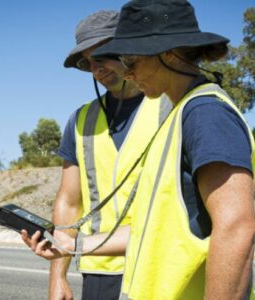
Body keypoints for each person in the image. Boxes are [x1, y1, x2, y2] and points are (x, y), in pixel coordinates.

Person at [23, 0, 255, 299]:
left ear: (168, 54)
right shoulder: (178, 115)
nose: (125, 71)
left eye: (130, 59)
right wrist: (71, 246)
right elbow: (153, 228)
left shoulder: (203, 113)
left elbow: (236, 228)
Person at [49, 10, 171, 300]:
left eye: (102, 56)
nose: (96, 69)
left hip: (161, 267)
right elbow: (68, 202)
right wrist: (57, 277)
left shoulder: (174, 105)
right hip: (100, 271)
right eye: (88, 63)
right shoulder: (81, 121)